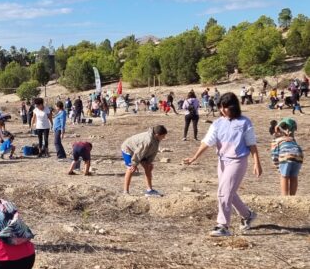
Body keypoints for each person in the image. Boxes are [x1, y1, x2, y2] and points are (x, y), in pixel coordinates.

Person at [183, 93, 261, 236]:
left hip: (238, 161)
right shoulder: (218, 123)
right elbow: (207, 141)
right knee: (228, 192)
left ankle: (223, 226)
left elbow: (252, 144)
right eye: (221, 107)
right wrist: (194, 157)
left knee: (224, 192)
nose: (223, 110)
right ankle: (248, 215)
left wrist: (257, 163)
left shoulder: (245, 122)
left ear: (234, 107)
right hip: (222, 161)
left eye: (226, 107)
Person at [121, 125, 168, 196]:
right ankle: (125, 192)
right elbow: (139, 152)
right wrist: (134, 164)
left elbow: (153, 151)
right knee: (131, 169)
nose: (164, 138)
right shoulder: (147, 140)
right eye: (163, 136)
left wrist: (149, 162)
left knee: (148, 167)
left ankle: (149, 190)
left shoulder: (156, 138)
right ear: (157, 134)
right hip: (128, 148)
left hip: (139, 150)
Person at [270, 118, 303, 196]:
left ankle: (284, 197)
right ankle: (292, 196)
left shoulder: (276, 141)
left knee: (284, 176)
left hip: (286, 155)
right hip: (299, 156)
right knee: (294, 176)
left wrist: (278, 166)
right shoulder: (292, 139)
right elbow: (298, 148)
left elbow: (274, 154)